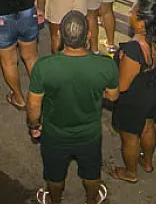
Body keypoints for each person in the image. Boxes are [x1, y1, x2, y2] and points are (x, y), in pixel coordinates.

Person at [28, 11, 119, 204]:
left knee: (54, 176)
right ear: (88, 35)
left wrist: (34, 126)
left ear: (59, 34)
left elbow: (34, 105)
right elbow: (112, 96)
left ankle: (54, 200)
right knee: (92, 173)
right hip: (89, 135)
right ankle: (91, 200)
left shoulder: (43, 67)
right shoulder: (106, 65)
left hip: (54, 135)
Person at [109, 0, 156, 184]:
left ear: (141, 23)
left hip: (134, 98)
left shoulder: (133, 50)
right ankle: (147, 162)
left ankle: (130, 172)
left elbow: (122, 85)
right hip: (154, 91)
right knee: (147, 127)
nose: (129, 14)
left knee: (129, 137)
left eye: (133, 12)